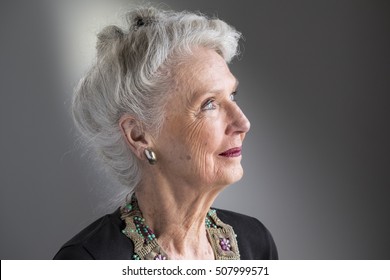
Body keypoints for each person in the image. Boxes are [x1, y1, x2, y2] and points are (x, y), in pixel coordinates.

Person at [54, 6, 278, 260]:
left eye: (232, 96)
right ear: (139, 135)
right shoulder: (89, 261)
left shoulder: (256, 244)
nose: (243, 123)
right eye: (209, 104)